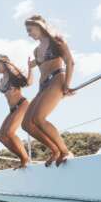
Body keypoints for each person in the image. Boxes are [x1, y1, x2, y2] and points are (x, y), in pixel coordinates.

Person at [22, 15, 75, 167]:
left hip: (57, 79)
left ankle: (65, 151)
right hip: (42, 86)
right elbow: (36, 64)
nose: (29, 34)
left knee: (39, 118)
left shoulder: (56, 40)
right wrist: (28, 65)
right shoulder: (36, 50)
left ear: (39, 26)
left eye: (30, 30)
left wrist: (66, 85)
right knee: (26, 124)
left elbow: (70, 62)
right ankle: (55, 150)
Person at [0, 54, 33, 168]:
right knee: (1, 137)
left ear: (5, 64)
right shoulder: (2, 79)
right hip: (12, 109)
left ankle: (25, 159)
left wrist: (30, 68)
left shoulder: (13, 76)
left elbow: (28, 83)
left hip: (22, 105)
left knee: (9, 133)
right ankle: (22, 157)